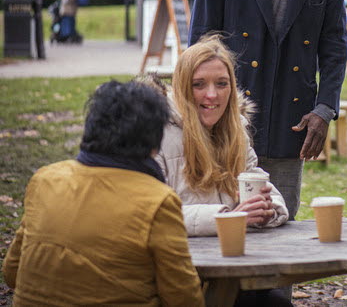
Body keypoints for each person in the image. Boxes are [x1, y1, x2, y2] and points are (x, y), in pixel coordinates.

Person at [189, 0, 347, 220]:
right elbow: (202, 40)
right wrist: (199, 105)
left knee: (281, 216)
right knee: (224, 213)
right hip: (228, 110)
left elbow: (334, 44)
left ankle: (281, 279)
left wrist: (324, 109)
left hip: (292, 116)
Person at [2, 81, 204, 306]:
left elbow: (12, 273)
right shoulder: (157, 200)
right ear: (155, 141)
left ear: (90, 127)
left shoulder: (45, 179)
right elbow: (183, 298)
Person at [154, 35, 291, 307]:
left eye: (222, 83)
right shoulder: (157, 133)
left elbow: (260, 182)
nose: (212, 95)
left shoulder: (235, 128)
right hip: (177, 274)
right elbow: (154, 216)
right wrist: (229, 217)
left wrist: (267, 209)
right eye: (198, 84)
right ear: (181, 86)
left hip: (232, 265)